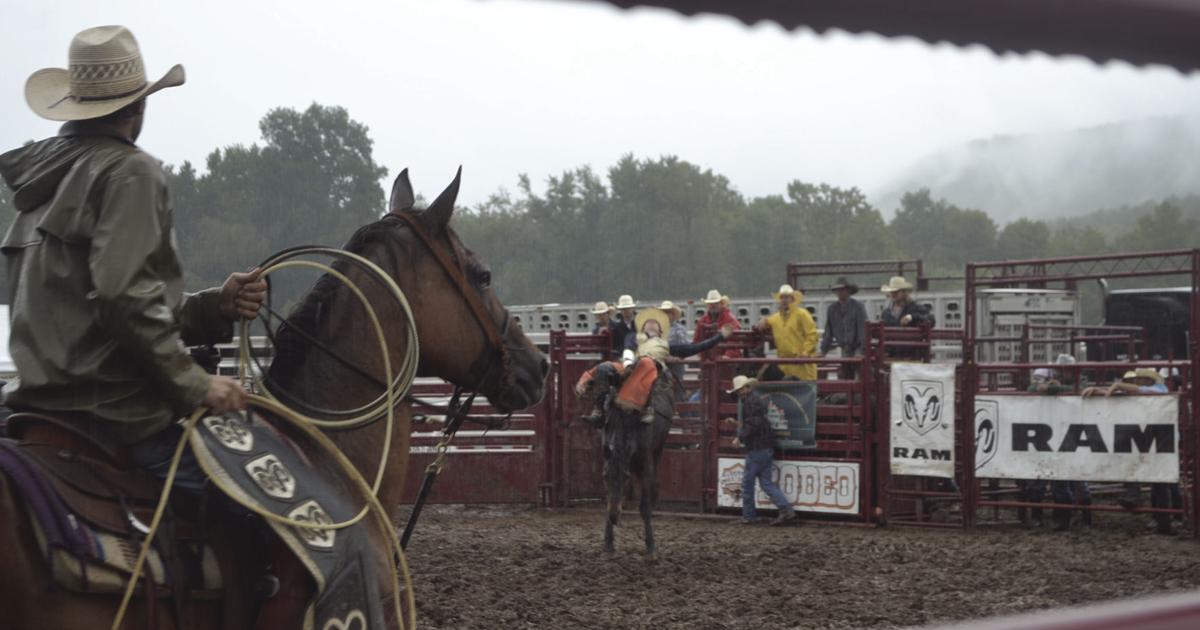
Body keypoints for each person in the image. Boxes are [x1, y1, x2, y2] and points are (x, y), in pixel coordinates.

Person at [0, 26, 268, 493]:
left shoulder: (41, 181)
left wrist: (213, 307)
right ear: (140, 105)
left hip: (34, 409)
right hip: (114, 412)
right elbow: (124, 298)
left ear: (76, 104)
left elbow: (95, 310)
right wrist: (196, 385)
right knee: (257, 497)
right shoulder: (131, 171)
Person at [578, 308, 730, 424]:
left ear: (660, 331)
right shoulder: (634, 338)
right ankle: (598, 411)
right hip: (630, 365)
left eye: (654, 325)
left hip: (651, 370)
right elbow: (628, 346)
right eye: (648, 324)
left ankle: (647, 407)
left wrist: (719, 337)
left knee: (647, 363)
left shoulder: (666, 345)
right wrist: (629, 362)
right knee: (605, 367)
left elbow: (695, 347)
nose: (650, 326)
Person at [1085, 368, 1176, 534]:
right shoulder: (1141, 392)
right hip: (1150, 437)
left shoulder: (1160, 391)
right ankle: (1160, 518)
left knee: (1163, 481)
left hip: (1158, 438)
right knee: (1158, 480)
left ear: (1148, 380)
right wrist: (1098, 391)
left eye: (1139, 379)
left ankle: (1165, 520)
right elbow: (1116, 394)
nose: (1136, 382)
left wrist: (1119, 385)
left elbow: (1145, 392)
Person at [725, 375, 796, 526]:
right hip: (765, 447)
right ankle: (785, 509)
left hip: (757, 448)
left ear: (746, 388)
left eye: (740, 390)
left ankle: (749, 516)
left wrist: (739, 437)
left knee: (748, 484)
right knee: (766, 482)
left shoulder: (750, 403)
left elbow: (753, 425)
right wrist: (738, 425)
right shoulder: (755, 401)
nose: (739, 393)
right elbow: (755, 423)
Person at [754, 284, 818, 381]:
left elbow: (812, 335)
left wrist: (805, 353)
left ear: (792, 299)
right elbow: (765, 323)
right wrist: (763, 321)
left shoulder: (802, 314)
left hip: (801, 364)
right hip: (784, 365)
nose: (784, 300)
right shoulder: (775, 318)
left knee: (803, 390)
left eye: (787, 297)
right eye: (782, 297)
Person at [819, 277, 868, 379]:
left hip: (858, 347)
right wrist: (823, 351)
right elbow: (828, 332)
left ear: (848, 291)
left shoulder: (858, 307)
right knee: (845, 376)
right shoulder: (832, 309)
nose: (840, 292)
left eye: (842, 289)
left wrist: (862, 350)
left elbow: (863, 330)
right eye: (838, 290)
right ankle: (847, 394)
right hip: (845, 348)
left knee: (863, 375)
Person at [694, 289, 740, 360]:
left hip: (726, 361)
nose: (712, 306)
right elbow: (696, 341)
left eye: (715, 303)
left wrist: (727, 356)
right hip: (707, 359)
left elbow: (734, 342)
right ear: (707, 305)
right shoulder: (702, 320)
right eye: (710, 303)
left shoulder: (730, 320)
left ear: (721, 304)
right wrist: (702, 355)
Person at [660, 300, 690, 387]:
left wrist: (673, 357)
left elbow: (684, 348)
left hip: (675, 366)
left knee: (677, 389)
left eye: (668, 312)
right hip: (661, 365)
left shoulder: (679, 330)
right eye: (663, 312)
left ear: (673, 315)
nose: (665, 314)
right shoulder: (657, 328)